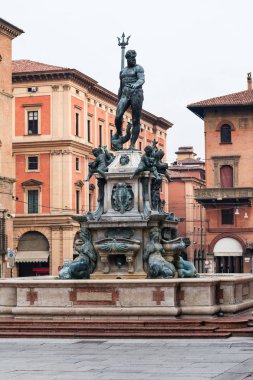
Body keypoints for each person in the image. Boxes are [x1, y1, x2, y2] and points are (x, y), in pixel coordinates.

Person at [115, 50, 145, 150]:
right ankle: (119, 133)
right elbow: (120, 86)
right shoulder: (122, 71)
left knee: (136, 120)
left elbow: (142, 80)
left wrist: (135, 84)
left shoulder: (139, 68)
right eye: (132, 58)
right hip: (125, 94)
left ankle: (132, 144)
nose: (134, 60)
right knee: (118, 115)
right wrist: (118, 98)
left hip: (136, 94)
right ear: (127, 59)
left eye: (135, 58)